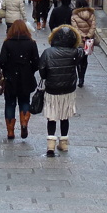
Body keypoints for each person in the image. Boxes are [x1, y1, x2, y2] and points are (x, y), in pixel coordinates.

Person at [39, 24, 84, 156]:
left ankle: (50, 145)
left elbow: (42, 72)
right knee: (65, 116)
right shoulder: (75, 52)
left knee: (52, 117)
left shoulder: (48, 52)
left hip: (52, 88)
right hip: (68, 89)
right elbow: (82, 54)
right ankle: (63, 143)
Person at [0, 19, 39, 140]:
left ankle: (10, 131)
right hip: (26, 77)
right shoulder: (31, 43)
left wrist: (7, 69)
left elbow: (2, 61)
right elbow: (37, 62)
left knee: (10, 103)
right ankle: (24, 123)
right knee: (25, 101)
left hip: (10, 77)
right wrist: (30, 70)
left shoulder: (8, 43)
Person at [70, 0, 96, 87]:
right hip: (88, 41)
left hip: (79, 41)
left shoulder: (74, 15)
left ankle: (79, 76)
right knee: (85, 59)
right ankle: (82, 78)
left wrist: (82, 36)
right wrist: (88, 35)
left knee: (78, 59)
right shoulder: (91, 14)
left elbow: (75, 28)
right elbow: (93, 27)